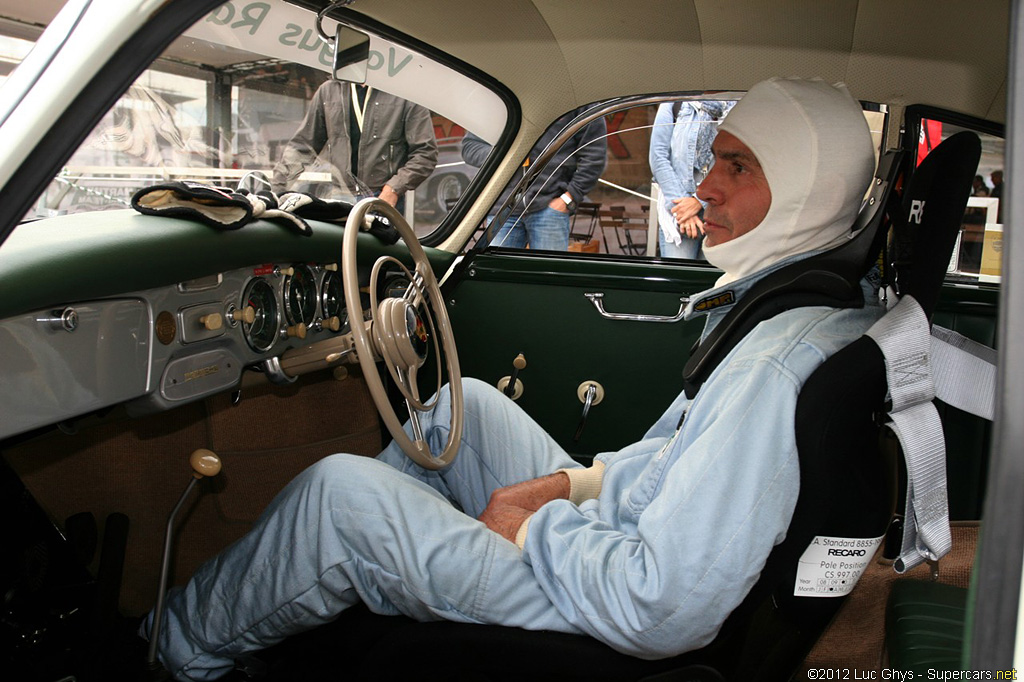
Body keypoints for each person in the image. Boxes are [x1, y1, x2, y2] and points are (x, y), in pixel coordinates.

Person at [146, 77, 880, 681]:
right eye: (714, 160)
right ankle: (362, 581)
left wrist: (533, 525)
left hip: (613, 603)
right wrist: (568, 487)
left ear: (806, 191)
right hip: (617, 536)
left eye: (738, 167)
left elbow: (664, 607)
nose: (705, 187)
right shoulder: (800, 306)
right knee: (462, 405)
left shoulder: (770, 370)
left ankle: (169, 655)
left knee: (338, 498)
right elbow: (675, 464)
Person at [272, 80, 438, 211]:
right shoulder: (329, 91)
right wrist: (276, 191)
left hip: (381, 198)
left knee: (376, 254)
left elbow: (425, 153)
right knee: (339, 253)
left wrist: (393, 189)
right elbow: (302, 146)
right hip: (338, 198)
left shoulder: (404, 94)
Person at [461, 108, 607, 251]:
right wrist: (508, 155)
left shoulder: (573, 96)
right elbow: (470, 148)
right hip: (502, 210)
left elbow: (594, 154)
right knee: (499, 274)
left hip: (550, 209)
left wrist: (568, 198)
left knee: (547, 274)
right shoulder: (499, 100)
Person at [649, 100, 734, 259]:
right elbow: (658, 157)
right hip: (679, 213)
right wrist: (682, 209)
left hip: (721, 212)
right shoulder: (676, 102)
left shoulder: (737, 107)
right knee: (679, 280)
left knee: (716, 281)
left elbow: (735, 165)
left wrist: (697, 202)